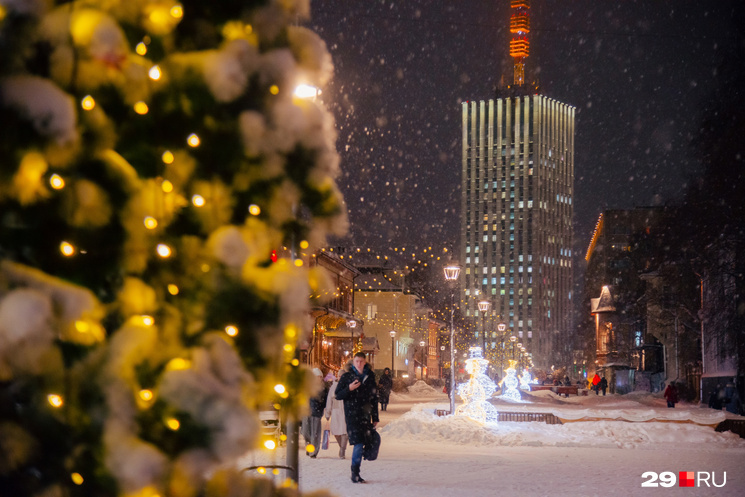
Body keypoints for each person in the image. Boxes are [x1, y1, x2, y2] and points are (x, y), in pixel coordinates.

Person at [335, 352, 379, 483]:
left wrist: (375, 416)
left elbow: (374, 398)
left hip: (365, 415)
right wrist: (349, 388)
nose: (359, 364)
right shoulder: (347, 377)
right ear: (353, 363)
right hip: (352, 415)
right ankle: (355, 473)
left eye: (361, 361)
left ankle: (359, 466)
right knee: (358, 443)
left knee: (368, 441)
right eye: (357, 361)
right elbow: (338, 395)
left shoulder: (369, 377)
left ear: (365, 362)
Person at [303, 368, 328, 458]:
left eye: (320, 377)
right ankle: (309, 448)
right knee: (305, 432)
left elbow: (325, 401)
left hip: (317, 413)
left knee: (315, 434)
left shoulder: (323, 388)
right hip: (306, 412)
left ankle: (313, 452)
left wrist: (323, 409)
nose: (319, 378)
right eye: (317, 376)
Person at [324, 369, 348, 459]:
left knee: (345, 432)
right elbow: (329, 401)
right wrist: (328, 413)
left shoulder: (348, 386)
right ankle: (341, 446)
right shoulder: (333, 387)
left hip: (345, 412)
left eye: (342, 376)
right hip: (336, 412)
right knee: (336, 432)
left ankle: (342, 450)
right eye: (339, 376)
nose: (341, 378)